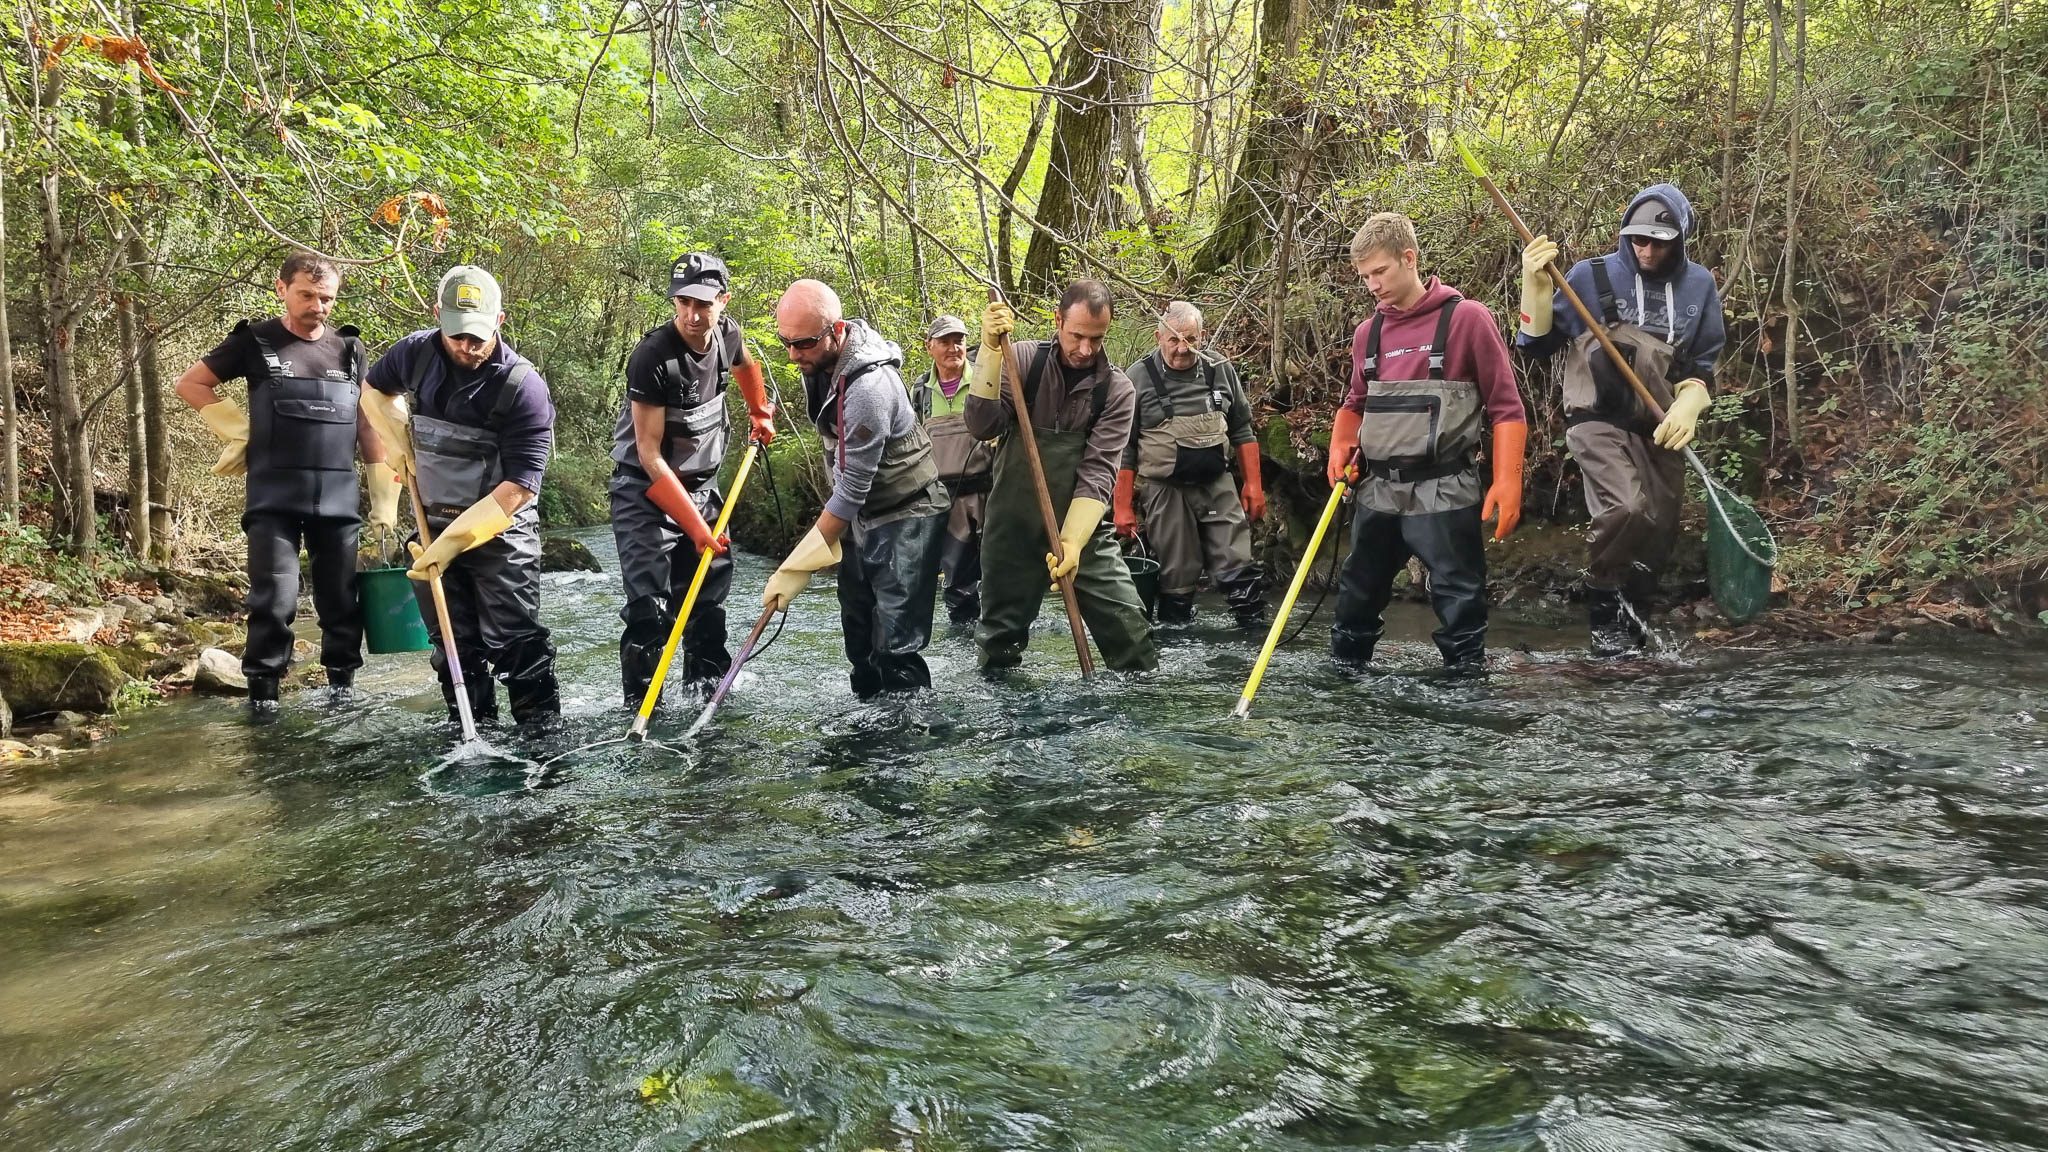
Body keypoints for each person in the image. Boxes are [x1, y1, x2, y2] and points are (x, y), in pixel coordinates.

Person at [175, 251, 398, 714]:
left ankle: (343, 691)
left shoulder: (350, 349)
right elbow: (192, 384)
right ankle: (263, 699)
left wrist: (383, 496)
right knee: (273, 600)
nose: (318, 306)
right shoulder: (254, 341)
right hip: (273, 499)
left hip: (337, 499)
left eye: (327, 298)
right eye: (307, 295)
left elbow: (367, 423)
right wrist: (238, 430)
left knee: (340, 600)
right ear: (282, 289)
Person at [1516, 184, 1724, 655]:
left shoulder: (1700, 286)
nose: (1645, 250)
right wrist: (1537, 288)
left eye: (1657, 241)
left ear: (1679, 240)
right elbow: (1535, 347)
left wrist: (1691, 401)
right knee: (1626, 509)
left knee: (1658, 529)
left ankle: (1634, 633)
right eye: (1637, 239)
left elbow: (1701, 367)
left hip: (1659, 426)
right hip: (1596, 419)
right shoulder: (1588, 277)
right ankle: (1605, 612)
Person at [1324, 212, 1527, 676]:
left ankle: (1465, 692)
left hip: (1446, 488)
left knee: (1459, 602)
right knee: (1356, 596)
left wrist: (1507, 483)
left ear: (1409, 259)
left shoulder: (1467, 319)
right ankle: (1344, 690)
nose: (1372, 285)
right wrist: (1340, 445)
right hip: (1379, 491)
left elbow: (1506, 408)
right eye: (1365, 277)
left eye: (1380, 272)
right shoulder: (1367, 334)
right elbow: (1355, 401)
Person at [359, 266, 562, 725]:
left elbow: (519, 490)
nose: (467, 347)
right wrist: (394, 439)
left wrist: (451, 544)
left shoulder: (523, 387)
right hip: (431, 519)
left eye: (478, 336)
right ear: (437, 316)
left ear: (500, 321)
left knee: (516, 640)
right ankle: (471, 731)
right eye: (457, 336)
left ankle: (542, 743)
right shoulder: (415, 353)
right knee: (452, 646)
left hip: (500, 532)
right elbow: (373, 389)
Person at [762, 280, 949, 698]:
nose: (794, 355)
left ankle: (904, 740)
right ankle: (865, 725)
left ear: (837, 329)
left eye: (804, 344)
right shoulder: (820, 364)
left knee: (896, 649)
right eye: (786, 343)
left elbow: (852, 489)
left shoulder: (868, 389)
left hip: (909, 513)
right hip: (864, 518)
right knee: (860, 640)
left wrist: (795, 567)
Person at [609, 252, 776, 709]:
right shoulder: (652, 357)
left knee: (705, 603)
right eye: (683, 302)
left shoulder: (727, 334)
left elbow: (745, 367)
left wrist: (759, 411)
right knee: (651, 610)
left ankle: (707, 700)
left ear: (723, 301)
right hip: (644, 493)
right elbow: (648, 454)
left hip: (702, 488)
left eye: (703, 303)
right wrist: (697, 529)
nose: (692, 314)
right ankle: (643, 709)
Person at [965, 281, 1158, 674]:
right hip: (1011, 528)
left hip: (1082, 530)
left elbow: (1099, 472)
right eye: (1077, 336)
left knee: (1131, 630)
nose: (1086, 349)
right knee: (999, 645)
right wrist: (988, 352)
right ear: (1058, 321)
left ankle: (1141, 717)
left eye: (1097, 339)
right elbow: (981, 425)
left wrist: (1070, 543)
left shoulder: (1117, 391)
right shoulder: (1018, 359)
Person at [1112, 301, 1266, 627]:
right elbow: (1123, 448)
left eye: (1191, 340)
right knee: (1176, 572)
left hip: (1216, 481)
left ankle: (1255, 639)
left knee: (1238, 562)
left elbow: (1242, 429)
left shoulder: (1219, 368)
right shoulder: (1137, 377)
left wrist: (1253, 486)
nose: (1182, 348)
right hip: (1164, 489)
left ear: (1202, 336)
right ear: (1158, 337)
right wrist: (1122, 508)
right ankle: (1176, 640)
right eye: (1173, 340)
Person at [909, 314, 991, 625]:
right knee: (956, 577)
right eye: (944, 341)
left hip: (988, 491)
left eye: (959, 340)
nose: (953, 347)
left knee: (998, 569)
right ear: (929, 347)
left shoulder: (986, 379)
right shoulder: (919, 392)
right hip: (944, 498)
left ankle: (999, 632)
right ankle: (963, 632)